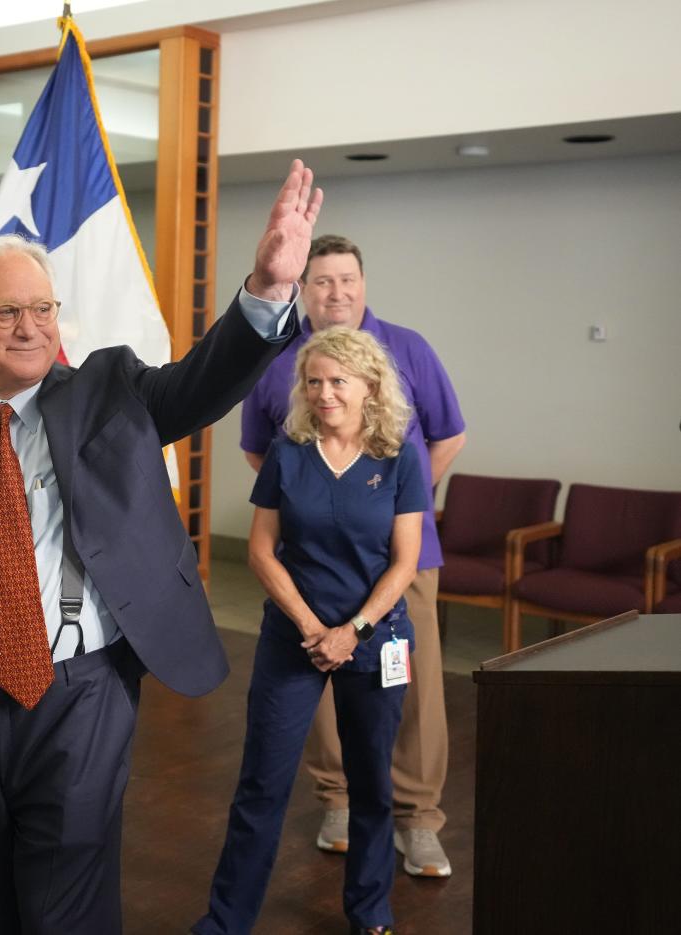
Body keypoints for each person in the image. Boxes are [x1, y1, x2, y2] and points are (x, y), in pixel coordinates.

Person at [0, 161, 323, 934]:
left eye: (43, 308)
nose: (31, 327)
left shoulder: (109, 391)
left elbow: (201, 383)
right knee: (2, 899)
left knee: (65, 901)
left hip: (80, 696)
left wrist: (267, 290)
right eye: (6, 312)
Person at [240, 234, 465, 877]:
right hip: (310, 564)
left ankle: (418, 818)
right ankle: (337, 799)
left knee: (408, 688)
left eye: (347, 280)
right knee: (320, 673)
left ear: (363, 284)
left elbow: (448, 437)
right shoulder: (280, 361)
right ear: (302, 289)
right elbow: (263, 455)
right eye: (321, 282)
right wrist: (315, 505)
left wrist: (397, 507)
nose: (335, 292)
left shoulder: (409, 349)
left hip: (402, 561)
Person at [194, 326, 426, 935]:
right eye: (314, 381)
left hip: (376, 641)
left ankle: (370, 910)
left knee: (372, 782)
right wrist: (312, 627)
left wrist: (353, 631)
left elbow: (405, 562)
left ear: (369, 386)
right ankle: (225, 921)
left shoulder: (399, 455)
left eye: (337, 381)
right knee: (262, 784)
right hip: (293, 639)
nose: (324, 394)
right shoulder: (288, 451)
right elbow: (262, 552)